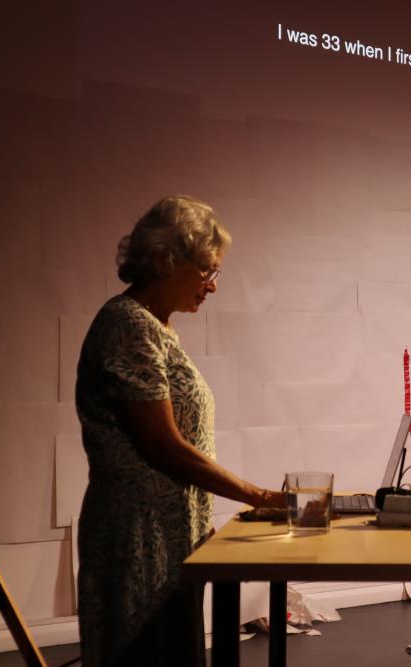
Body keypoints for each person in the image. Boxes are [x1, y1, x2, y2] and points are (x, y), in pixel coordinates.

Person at [75, 195, 286, 666]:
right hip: (140, 538)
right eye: (207, 270)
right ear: (165, 260)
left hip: (168, 534)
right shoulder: (128, 324)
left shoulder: (157, 327)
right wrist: (261, 496)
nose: (213, 285)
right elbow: (163, 446)